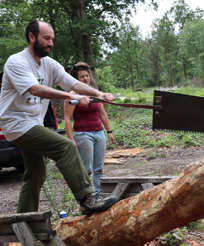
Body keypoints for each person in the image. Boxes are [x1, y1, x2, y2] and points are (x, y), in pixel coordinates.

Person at [0, 20, 118, 215]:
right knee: (66, 147)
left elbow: (73, 83)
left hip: (33, 124)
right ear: (32, 37)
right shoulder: (16, 62)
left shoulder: (49, 64)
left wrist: (99, 94)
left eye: (52, 39)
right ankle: (88, 198)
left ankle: (24, 220)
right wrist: (71, 96)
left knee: (36, 173)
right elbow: (35, 89)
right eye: (46, 38)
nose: (51, 43)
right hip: (16, 124)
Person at [64, 62, 113, 195]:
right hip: (83, 134)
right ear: (76, 79)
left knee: (99, 168)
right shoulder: (73, 95)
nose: (86, 79)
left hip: (99, 132)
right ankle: (86, 196)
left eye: (87, 76)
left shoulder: (94, 94)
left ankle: (98, 194)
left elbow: (102, 113)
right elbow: (67, 119)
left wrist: (109, 131)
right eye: (82, 77)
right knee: (87, 168)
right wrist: (71, 140)